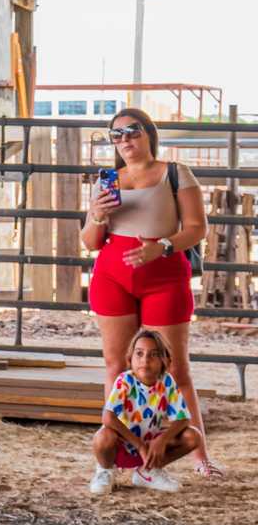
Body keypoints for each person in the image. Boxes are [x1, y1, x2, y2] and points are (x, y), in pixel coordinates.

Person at [82, 107, 223, 480]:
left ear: (148, 133)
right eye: (116, 135)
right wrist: (96, 213)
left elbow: (196, 228)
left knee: (174, 369)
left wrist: (160, 247)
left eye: (132, 132)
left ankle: (199, 457)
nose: (125, 140)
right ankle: (113, 458)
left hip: (162, 272)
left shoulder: (175, 173)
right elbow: (90, 242)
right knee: (117, 365)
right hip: (113, 275)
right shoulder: (108, 181)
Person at [91, 329, 203, 495]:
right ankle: (105, 471)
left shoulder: (166, 381)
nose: (145, 360)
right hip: (122, 444)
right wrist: (139, 445)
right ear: (130, 358)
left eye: (154, 354)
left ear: (165, 359)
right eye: (139, 354)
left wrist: (162, 440)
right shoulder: (125, 380)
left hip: (151, 449)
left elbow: (183, 419)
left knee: (193, 436)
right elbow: (108, 418)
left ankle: (147, 471)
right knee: (102, 437)